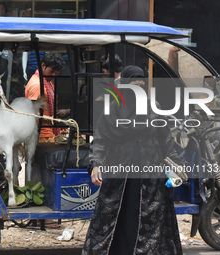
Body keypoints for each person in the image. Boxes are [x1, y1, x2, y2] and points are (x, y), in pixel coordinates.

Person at [82, 66, 184, 254]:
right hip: (120, 177)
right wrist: (96, 163)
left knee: (150, 218)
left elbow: (165, 139)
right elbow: (101, 138)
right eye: (133, 82)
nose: (138, 84)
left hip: (150, 176)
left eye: (141, 81)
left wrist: (176, 164)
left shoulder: (154, 107)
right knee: (119, 216)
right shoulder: (112, 109)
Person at [25, 52, 67, 142]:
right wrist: (55, 121)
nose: (53, 76)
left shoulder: (47, 83)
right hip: (40, 136)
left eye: (56, 73)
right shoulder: (37, 85)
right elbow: (33, 114)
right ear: (43, 65)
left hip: (48, 134)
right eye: (51, 72)